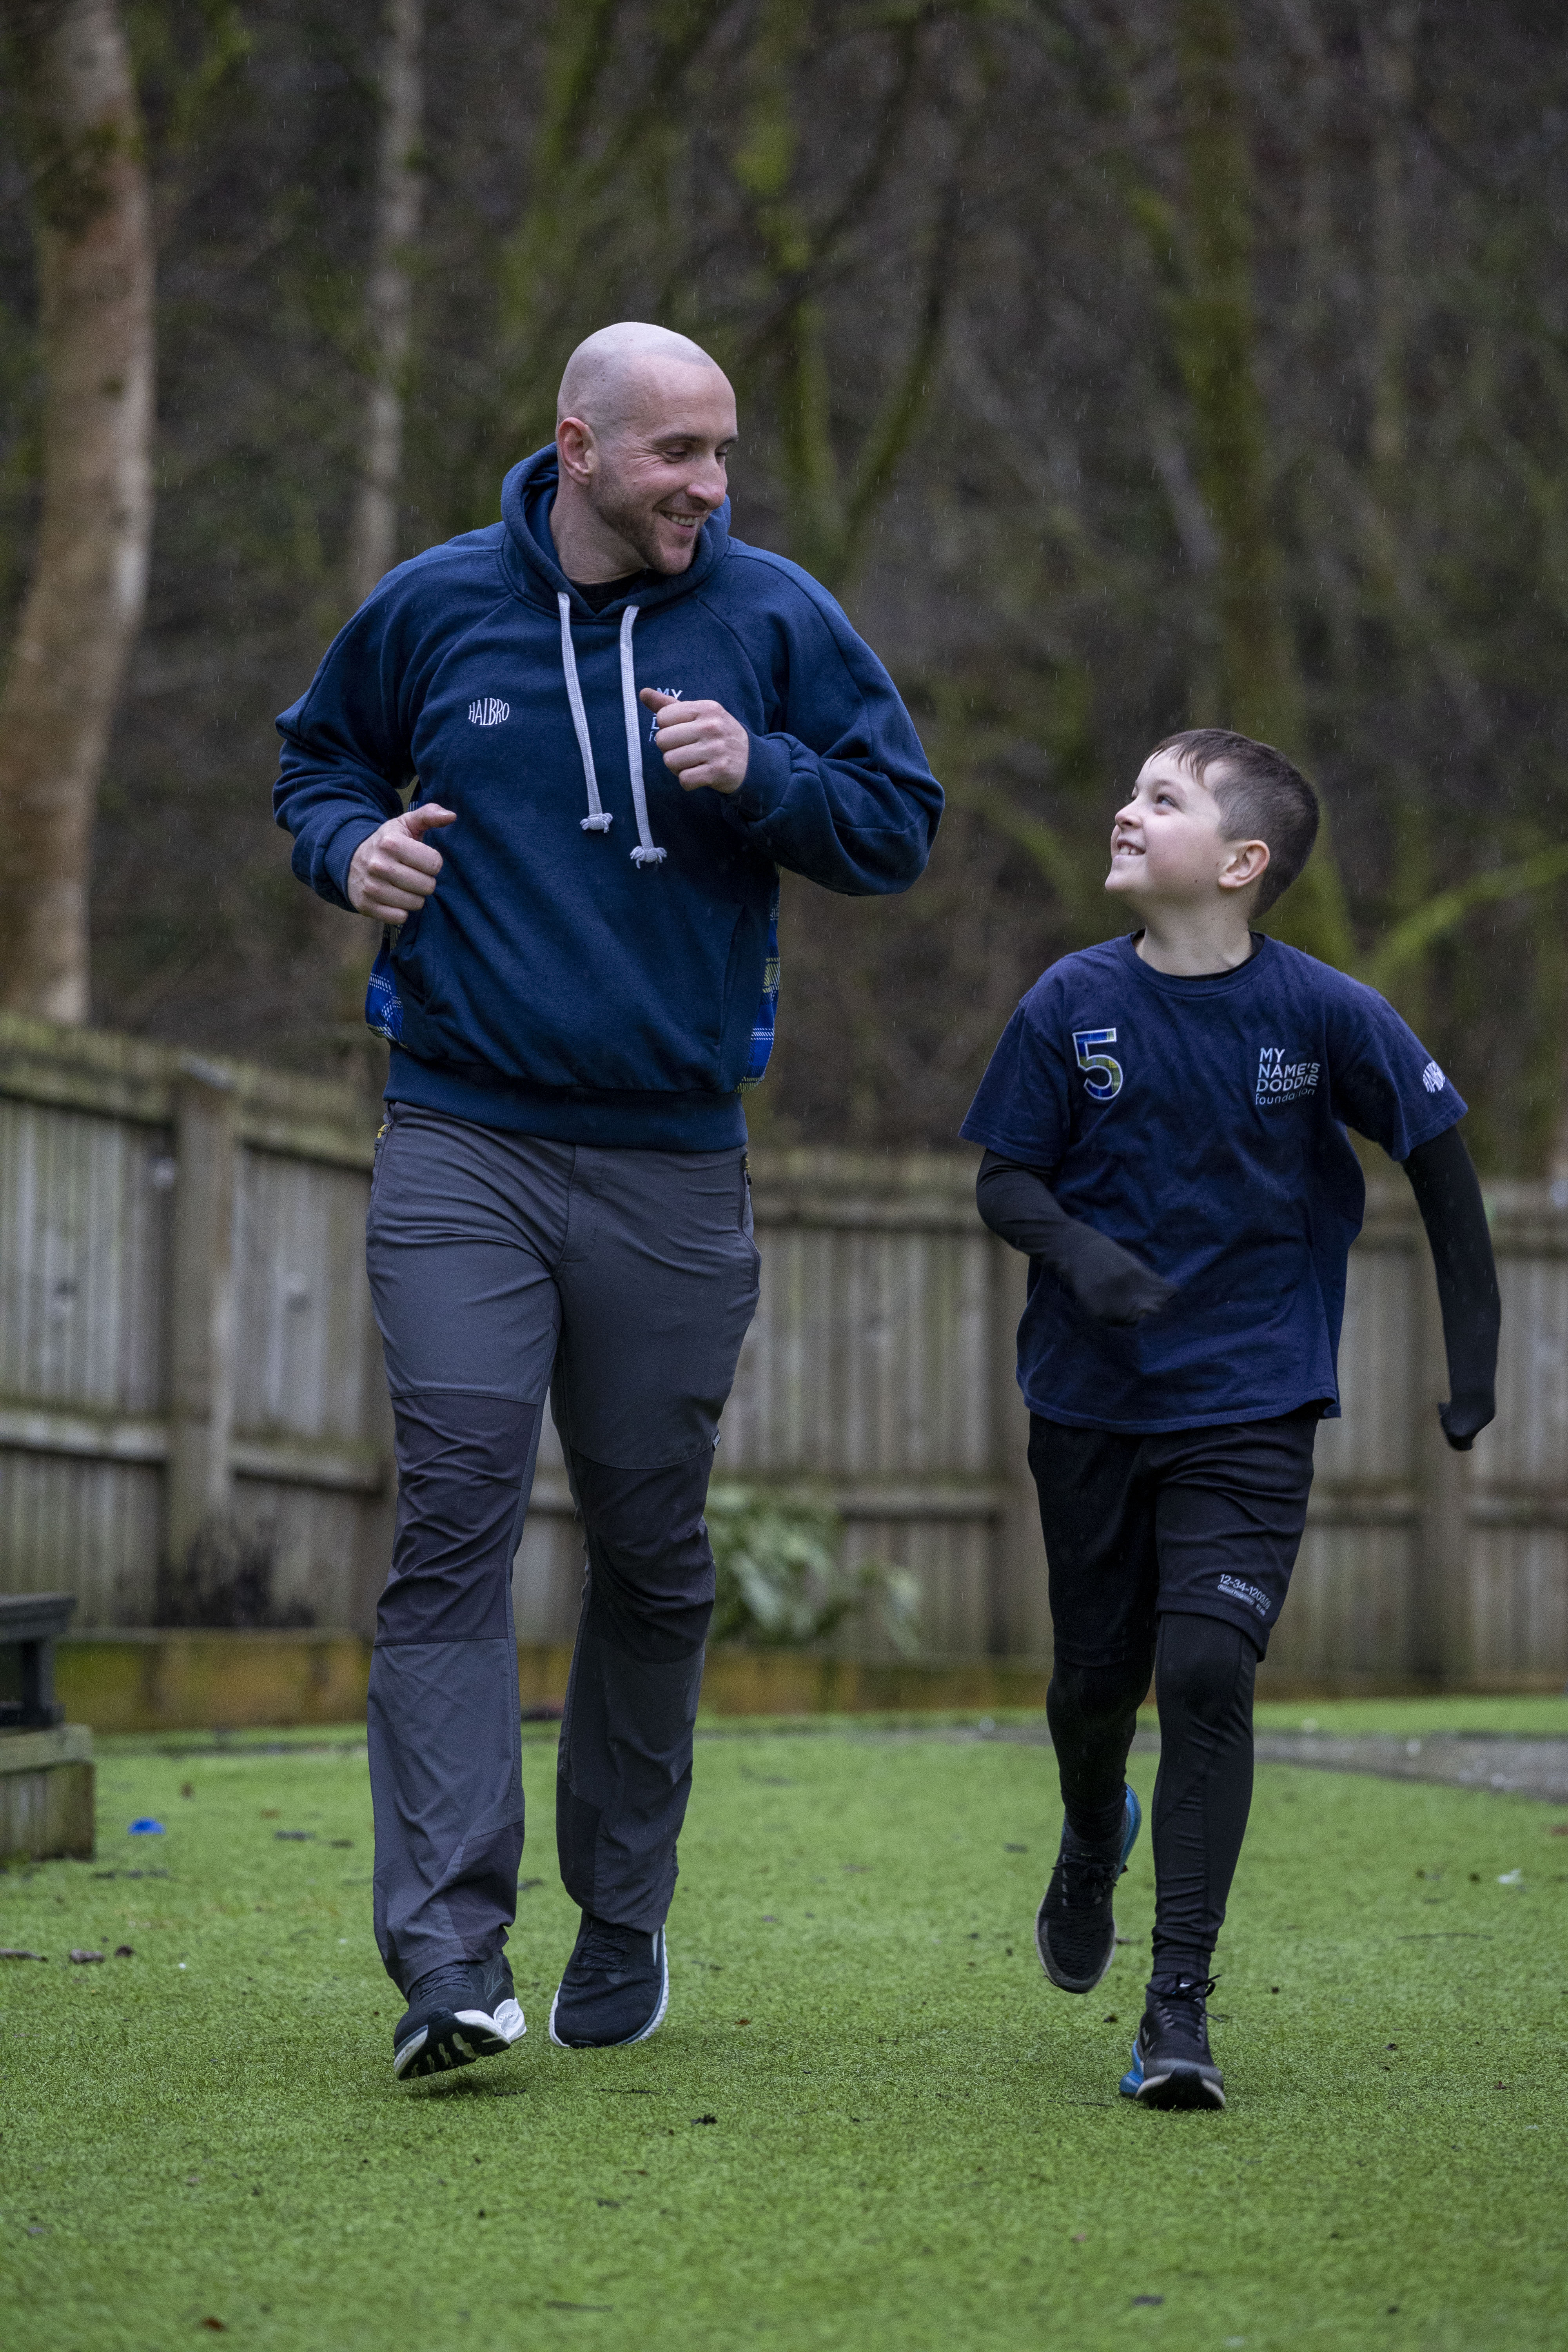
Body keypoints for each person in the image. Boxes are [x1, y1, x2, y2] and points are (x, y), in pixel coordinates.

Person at [274, 321, 942, 2078]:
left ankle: (621, 1916)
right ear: (577, 446)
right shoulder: (429, 609)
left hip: (671, 1158)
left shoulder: (774, 618)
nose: (710, 487)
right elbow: (313, 763)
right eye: (677, 455)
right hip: (461, 1144)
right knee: (457, 1515)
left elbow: (899, 824)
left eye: (722, 454)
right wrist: (351, 851)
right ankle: (451, 1964)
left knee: (649, 1550)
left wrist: (767, 776)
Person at [961, 729, 1498, 2111]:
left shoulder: (1326, 1015)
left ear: (1243, 863)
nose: (1125, 811)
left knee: (1204, 1672)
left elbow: (1442, 1167)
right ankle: (1093, 1831)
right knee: (1095, 1688)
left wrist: (1474, 1365)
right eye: (1130, 787)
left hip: (1257, 1400)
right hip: (1087, 1403)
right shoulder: (1069, 1003)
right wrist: (1082, 1258)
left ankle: (1178, 2011)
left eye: (1162, 799)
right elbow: (1006, 1182)